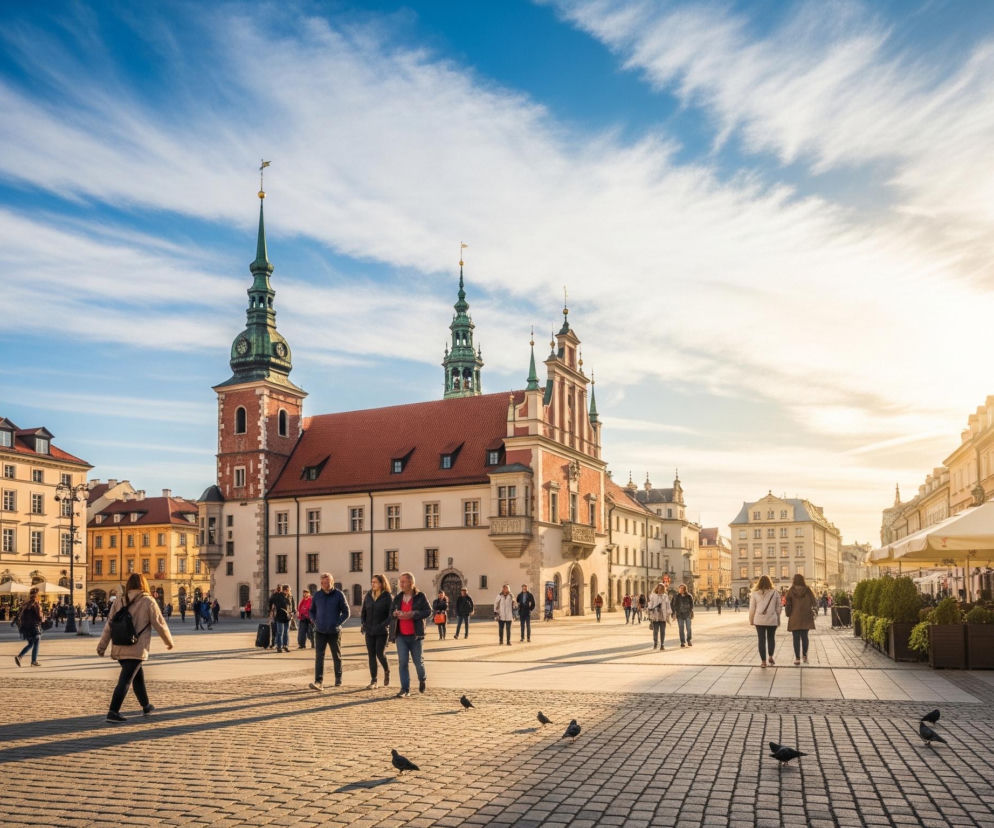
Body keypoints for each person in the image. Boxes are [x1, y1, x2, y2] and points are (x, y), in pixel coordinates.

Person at [96, 573, 174, 722]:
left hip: (119, 645)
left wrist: (102, 646)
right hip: (137, 646)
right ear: (143, 584)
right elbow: (160, 623)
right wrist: (168, 642)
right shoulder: (148, 601)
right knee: (125, 679)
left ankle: (146, 706)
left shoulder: (119, 600)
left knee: (137, 676)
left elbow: (109, 626)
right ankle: (113, 711)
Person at [389, 571, 432, 697]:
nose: (400, 584)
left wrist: (413, 614)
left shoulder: (420, 596)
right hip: (401, 635)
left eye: (403, 581)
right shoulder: (398, 597)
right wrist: (395, 614)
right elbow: (391, 612)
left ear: (411, 583)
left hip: (415, 635)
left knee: (418, 662)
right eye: (400, 581)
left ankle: (422, 679)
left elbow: (428, 611)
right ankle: (405, 689)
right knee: (402, 662)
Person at [309, 573, 350, 690]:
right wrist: (313, 620)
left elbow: (346, 612)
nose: (325, 585)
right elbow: (312, 611)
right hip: (320, 630)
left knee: (336, 655)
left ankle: (338, 678)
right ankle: (318, 681)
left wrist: (337, 623)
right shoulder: (317, 595)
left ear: (332, 582)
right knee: (319, 656)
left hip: (334, 631)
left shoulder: (339, 595)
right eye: (323, 583)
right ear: (321, 583)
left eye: (328, 582)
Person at [361, 574, 392, 689]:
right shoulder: (368, 595)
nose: (372, 584)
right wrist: (363, 623)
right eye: (372, 582)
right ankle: (373, 680)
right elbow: (363, 611)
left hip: (382, 631)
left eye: (375, 582)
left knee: (380, 653)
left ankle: (387, 670)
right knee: (371, 655)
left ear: (381, 583)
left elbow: (390, 616)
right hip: (369, 630)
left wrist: (382, 626)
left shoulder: (387, 597)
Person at [749, 575, 781, 667]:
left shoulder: (755, 593)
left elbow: (752, 609)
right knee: (771, 638)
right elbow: (779, 607)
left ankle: (763, 662)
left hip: (759, 620)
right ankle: (770, 656)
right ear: (770, 582)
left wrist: (751, 620)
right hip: (772, 619)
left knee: (761, 640)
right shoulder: (775, 593)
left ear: (759, 582)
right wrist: (777, 617)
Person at [785, 573, 817, 665]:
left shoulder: (791, 591)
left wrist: (788, 613)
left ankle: (797, 658)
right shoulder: (808, 590)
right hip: (806, 616)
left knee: (796, 638)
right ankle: (805, 656)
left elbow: (788, 604)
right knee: (805, 637)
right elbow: (814, 602)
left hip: (794, 616)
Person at [13, 587, 43, 667]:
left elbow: (19, 615)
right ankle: (33, 661)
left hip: (25, 628)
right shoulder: (36, 604)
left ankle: (20, 657)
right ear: (37, 596)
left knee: (30, 643)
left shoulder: (25, 604)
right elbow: (39, 617)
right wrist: (43, 617)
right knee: (36, 642)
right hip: (34, 627)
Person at [647, 583, 672, 650]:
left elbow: (668, 606)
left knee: (663, 631)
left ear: (663, 589)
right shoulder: (653, 596)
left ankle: (662, 644)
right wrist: (649, 609)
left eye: (661, 588)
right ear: (657, 588)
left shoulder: (665, 596)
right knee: (655, 631)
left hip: (663, 616)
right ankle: (655, 643)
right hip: (655, 615)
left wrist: (668, 614)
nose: (660, 589)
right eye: (659, 588)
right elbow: (650, 604)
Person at [268, 586, 290, 652]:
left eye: (289, 590)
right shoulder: (277, 596)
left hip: (287, 617)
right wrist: (270, 610)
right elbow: (270, 601)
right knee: (280, 632)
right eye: (287, 590)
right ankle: (279, 647)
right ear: (284, 590)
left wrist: (292, 612)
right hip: (279, 616)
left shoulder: (289, 596)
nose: (288, 591)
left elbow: (291, 605)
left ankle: (285, 645)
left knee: (286, 632)